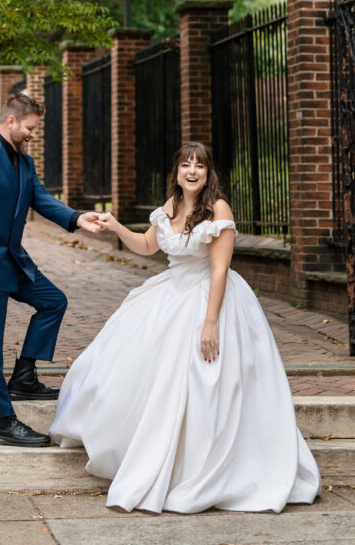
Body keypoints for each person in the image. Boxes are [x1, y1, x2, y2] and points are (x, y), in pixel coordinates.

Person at [50, 141, 321, 513]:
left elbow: (220, 270)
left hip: (209, 298)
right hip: (169, 293)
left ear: (209, 173)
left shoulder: (217, 209)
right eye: (185, 165)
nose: (192, 171)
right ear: (176, 171)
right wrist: (114, 225)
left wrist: (210, 323)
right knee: (126, 367)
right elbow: (147, 246)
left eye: (200, 166)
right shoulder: (171, 206)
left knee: (203, 383)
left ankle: (199, 466)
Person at [0, 92, 103, 447]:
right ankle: (2, 421)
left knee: (53, 301)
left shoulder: (24, 162)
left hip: (11, 261)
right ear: (11, 121)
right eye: (30, 128)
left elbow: (42, 200)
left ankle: (24, 376)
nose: (33, 134)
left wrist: (78, 218)